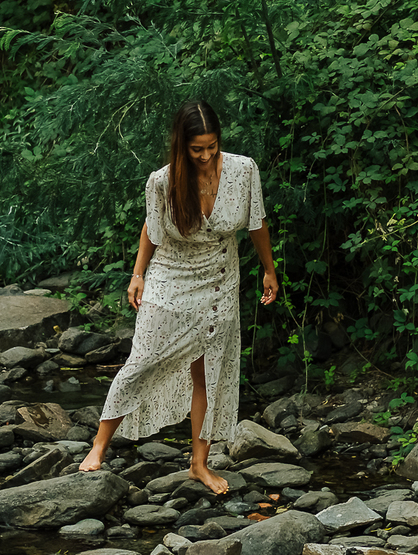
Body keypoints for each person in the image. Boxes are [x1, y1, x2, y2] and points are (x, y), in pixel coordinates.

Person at [79, 99, 278, 494]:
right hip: (170, 275)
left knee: (208, 371)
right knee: (143, 358)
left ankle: (198, 463)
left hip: (219, 278)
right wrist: (138, 275)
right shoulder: (162, 181)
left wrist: (270, 270)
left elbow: (257, 222)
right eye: (197, 149)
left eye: (212, 147)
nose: (206, 156)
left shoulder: (244, 170)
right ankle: (99, 446)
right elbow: (151, 230)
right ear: (181, 146)